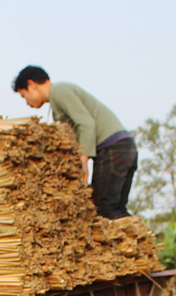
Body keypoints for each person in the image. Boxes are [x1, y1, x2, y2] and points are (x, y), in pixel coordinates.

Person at [11, 65, 137, 219]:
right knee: (116, 208)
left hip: (112, 148)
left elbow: (86, 124)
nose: (27, 103)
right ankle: (137, 240)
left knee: (105, 208)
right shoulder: (57, 101)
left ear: (31, 85)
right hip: (124, 147)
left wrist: (83, 161)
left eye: (24, 96)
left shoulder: (59, 91)